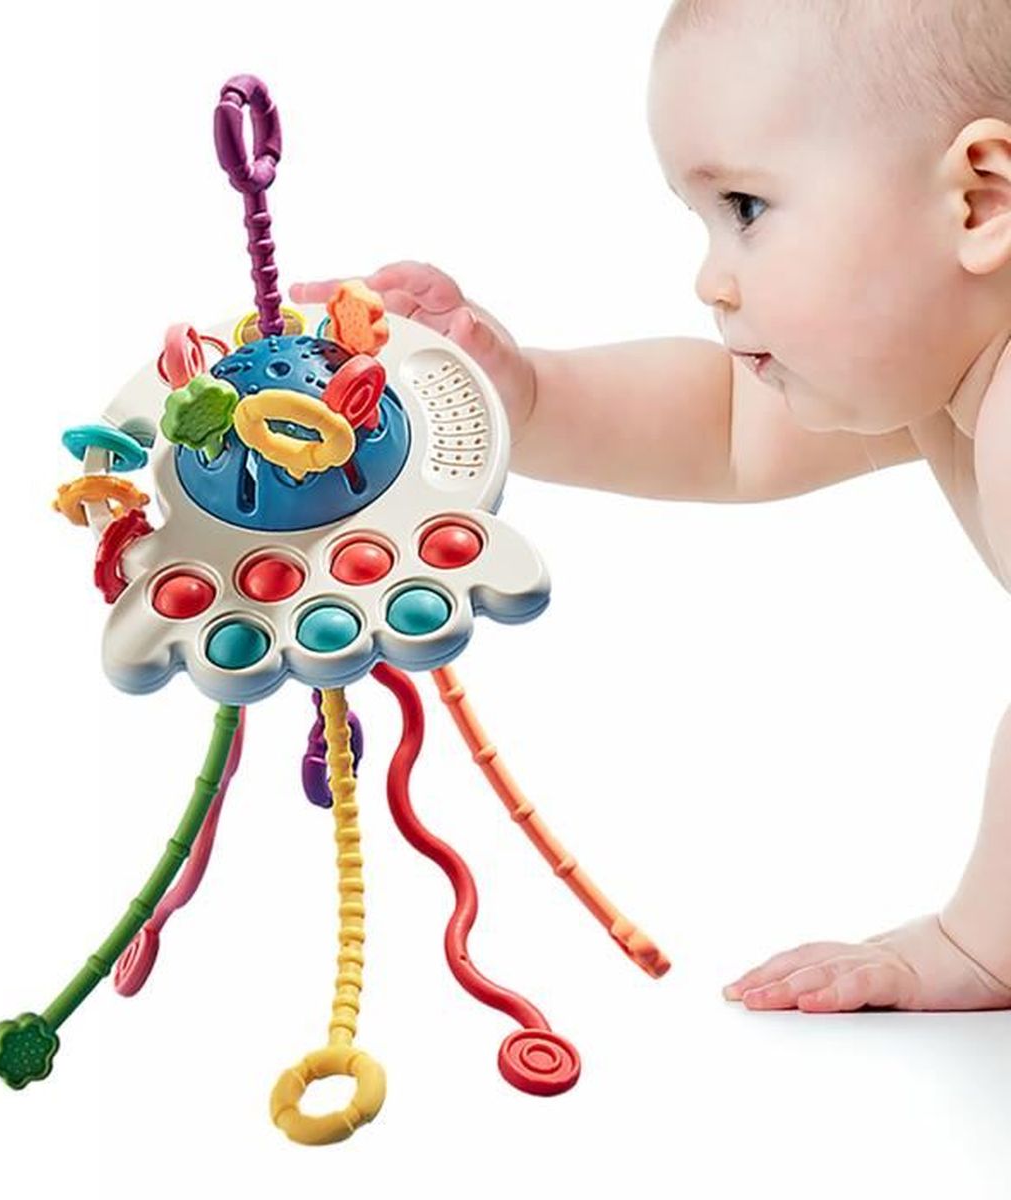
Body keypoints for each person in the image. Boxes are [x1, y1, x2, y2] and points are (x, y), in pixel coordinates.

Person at [291, 0, 1011, 1012]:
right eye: (704, 220)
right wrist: (524, 395)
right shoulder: (939, 373)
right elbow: (728, 429)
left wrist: (980, 943)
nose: (711, 279)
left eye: (747, 208)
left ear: (979, 204)